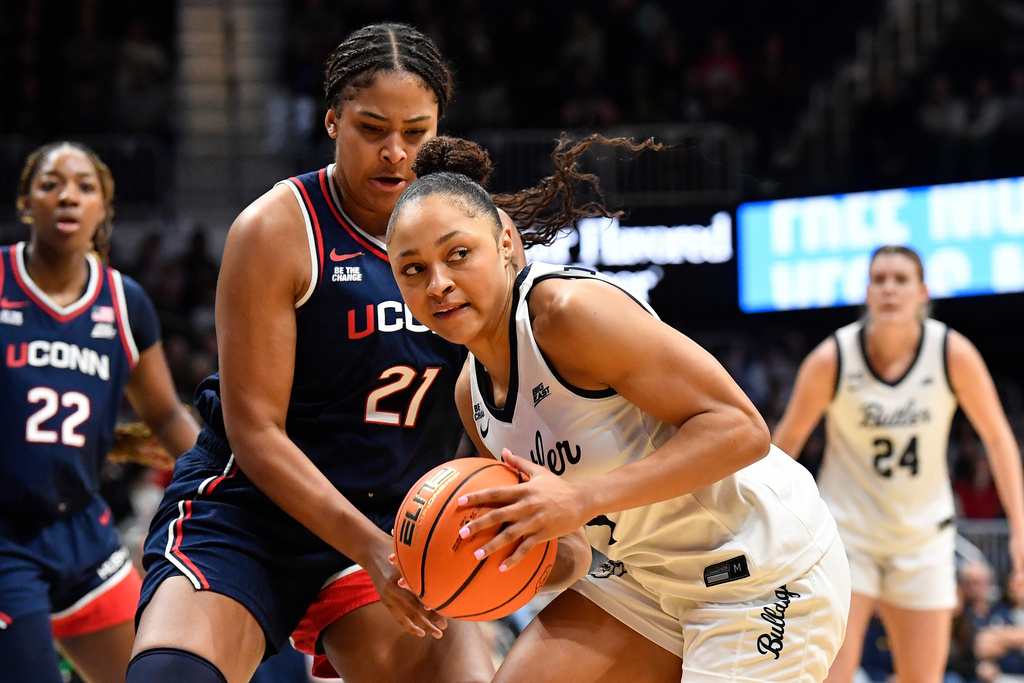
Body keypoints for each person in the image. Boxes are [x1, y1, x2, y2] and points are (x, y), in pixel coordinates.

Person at [385, 134, 851, 681]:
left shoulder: (569, 315)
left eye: (458, 254)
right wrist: (463, 563)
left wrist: (581, 498)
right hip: (646, 579)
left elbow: (742, 430)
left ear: (506, 241)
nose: (438, 284)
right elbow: (575, 553)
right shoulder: (472, 394)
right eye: (412, 269)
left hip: (765, 571)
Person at [128, 23, 496, 683]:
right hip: (252, 511)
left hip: (393, 515)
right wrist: (368, 545)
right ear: (331, 120)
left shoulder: (476, 235)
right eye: (372, 128)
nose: (394, 152)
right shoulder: (276, 228)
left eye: (415, 132)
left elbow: (498, 398)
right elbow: (256, 431)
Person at [772, 244, 1024, 683]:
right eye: (880, 280)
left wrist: (1021, 532)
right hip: (847, 536)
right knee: (831, 674)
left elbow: (1000, 441)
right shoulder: (832, 358)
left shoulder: (952, 353)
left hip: (922, 539)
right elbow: (784, 446)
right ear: (867, 292)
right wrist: (768, 530)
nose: (890, 289)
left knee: (923, 677)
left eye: (901, 280)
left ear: (922, 291)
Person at [0, 141, 200, 683]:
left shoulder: (123, 301)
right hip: (7, 536)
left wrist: (227, 477)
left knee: (152, 674)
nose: (68, 196)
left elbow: (163, 416)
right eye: (51, 184)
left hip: (81, 529)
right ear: (26, 202)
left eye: (85, 187)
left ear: (103, 209)